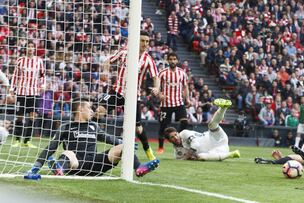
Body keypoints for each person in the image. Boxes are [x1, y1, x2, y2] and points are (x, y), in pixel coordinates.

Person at [26, 99, 159, 177]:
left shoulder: (94, 126)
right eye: (89, 108)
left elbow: (108, 138)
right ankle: (60, 169)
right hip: (75, 165)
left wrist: (125, 144)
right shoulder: (66, 126)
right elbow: (51, 147)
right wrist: (36, 167)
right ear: (80, 109)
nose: (92, 111)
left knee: (122, 147)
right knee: (68, 153)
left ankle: (139, 168)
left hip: (95, 165)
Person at [100, 30, 159, 161]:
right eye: (142, 40)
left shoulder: (148, 59)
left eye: (147, 41)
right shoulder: (124, 52)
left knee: (138, 128)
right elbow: (108, 61)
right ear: (136, 40)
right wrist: (105, 71)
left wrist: (156, 87)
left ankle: (148, 150)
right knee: (99, 111)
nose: (145, 44)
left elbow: (156, 77)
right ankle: (89, 140)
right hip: (117, 91)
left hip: (133, 96)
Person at [164, 98, 240, 161]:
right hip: (218, 151)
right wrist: (191, 158)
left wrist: (188, 156)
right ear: (169, 140)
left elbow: (195, 144)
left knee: (211, 125)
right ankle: (231, 154)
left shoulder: (184, 133)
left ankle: (223, 107)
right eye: (172, 137)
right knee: (201, 157)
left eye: (175, 134)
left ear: (178, 133)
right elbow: (183, 159)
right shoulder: (177, 153)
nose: (176, 138)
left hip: (215, 137)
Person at [9, 41, 45, 148]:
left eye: (32, 47)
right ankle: (17, 140)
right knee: (20, 117)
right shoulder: (20, 60)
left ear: (34, 49)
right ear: (26, 49)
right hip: (21, 92)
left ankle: (27, 141)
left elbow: (42, 75)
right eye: (28, 47)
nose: (30, 48)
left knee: (33, 116)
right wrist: (12, 88)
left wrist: (42, 85)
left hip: (34, 92)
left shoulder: (39, 61)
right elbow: (15, 75)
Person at [157, 52, 190, 154]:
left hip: (179, 102)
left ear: (177, 60)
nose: (172, 61)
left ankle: (177, 139)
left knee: (185, 122)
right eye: (170, 59)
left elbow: (185, 87)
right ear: (168, 60)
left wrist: (187, 99)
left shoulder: (182, 73)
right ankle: (161, 147)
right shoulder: (162, 73)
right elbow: (157, 86)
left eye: (174, 59)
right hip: (166, 104)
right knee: (163, 126)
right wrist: (160, 95)